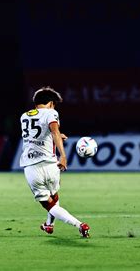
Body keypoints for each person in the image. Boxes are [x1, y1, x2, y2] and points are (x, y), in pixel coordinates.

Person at [19, 86, 90, 237]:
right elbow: (54, 131)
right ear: (51, 103)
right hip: (51, 165)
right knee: (54, 197)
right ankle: (49, 225)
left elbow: (36, 136)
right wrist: (63, 156)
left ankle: (80, 225)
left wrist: (55, 136)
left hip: (32, 167)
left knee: (49, 204)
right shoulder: (52, 113)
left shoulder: (24, 116)